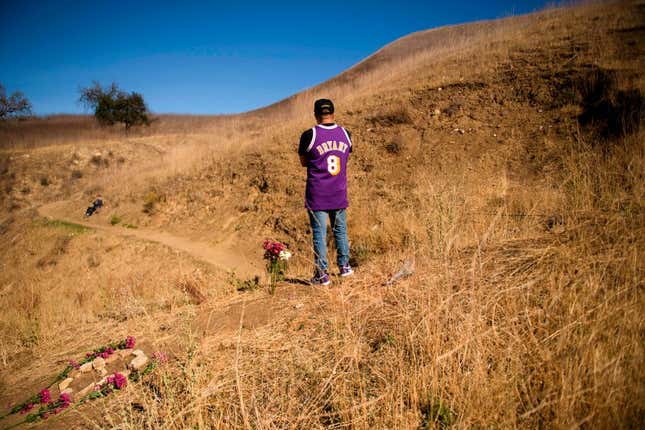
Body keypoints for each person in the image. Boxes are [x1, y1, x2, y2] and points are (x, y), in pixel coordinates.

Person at [298, 98, 354, 285]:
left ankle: (322, 275)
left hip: (318, 194)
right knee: (340, 230)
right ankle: (345, 267)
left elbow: (304, 162)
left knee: (319, 234)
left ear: (315, 114)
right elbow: (346, 156)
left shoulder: (309, 135)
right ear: (333, 113)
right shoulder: (346, 134)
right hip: (338, 190)